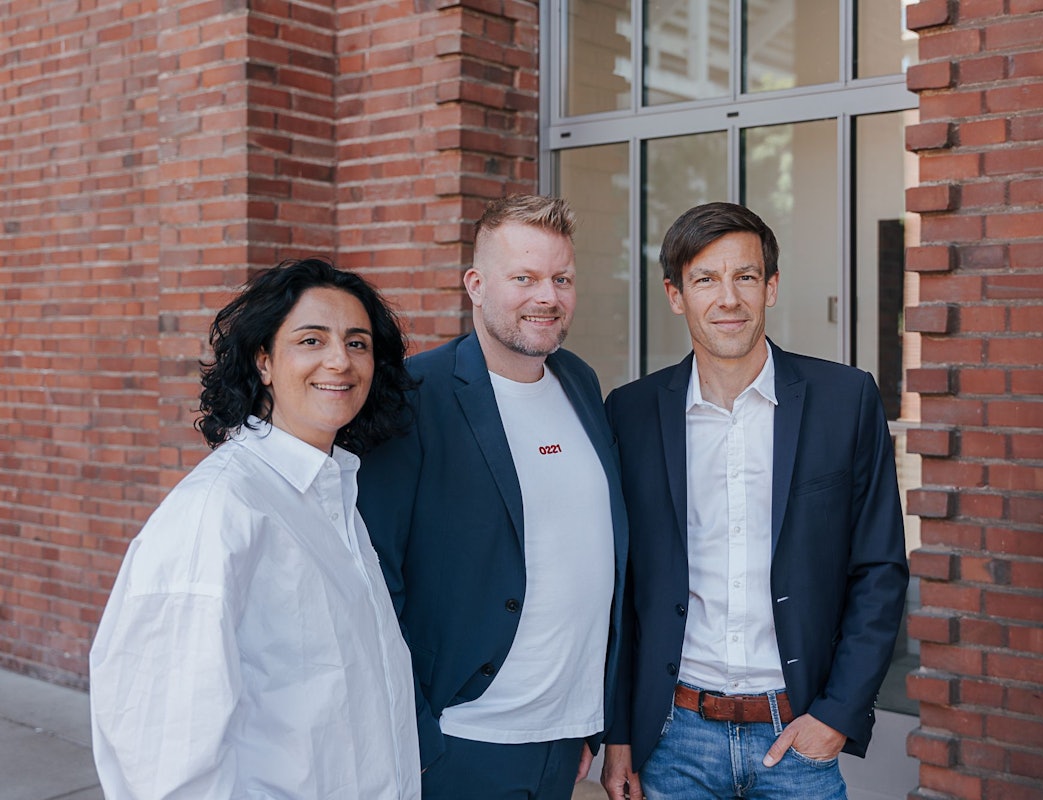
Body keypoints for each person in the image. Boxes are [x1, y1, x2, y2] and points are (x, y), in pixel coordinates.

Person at [600, 202, 909, 800]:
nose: (728, 299)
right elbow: (621, 590)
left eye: (744, 276)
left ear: (770, 287)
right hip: (673, 739)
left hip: (797, 736)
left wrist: (837, 715)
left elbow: (880, 570)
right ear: (675, 294)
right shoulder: (631, 412)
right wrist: (620, 735)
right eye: (705, 279)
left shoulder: (845, 400)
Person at [90, 258, 421, 799]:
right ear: (264, 360)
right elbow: (161, 757)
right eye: (311, 341)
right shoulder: (217, 512)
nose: (340, 360)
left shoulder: (332, 493)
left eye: (357, 343)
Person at [357, 194, 628, 799]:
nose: (547, 296)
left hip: (564, 738)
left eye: (561, 278)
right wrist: (419, 735)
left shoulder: (580, 381)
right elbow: (375, 574)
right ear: (476, 284)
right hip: (462, 738)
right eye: (524, 278)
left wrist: (593, 719)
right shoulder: (414, 396)